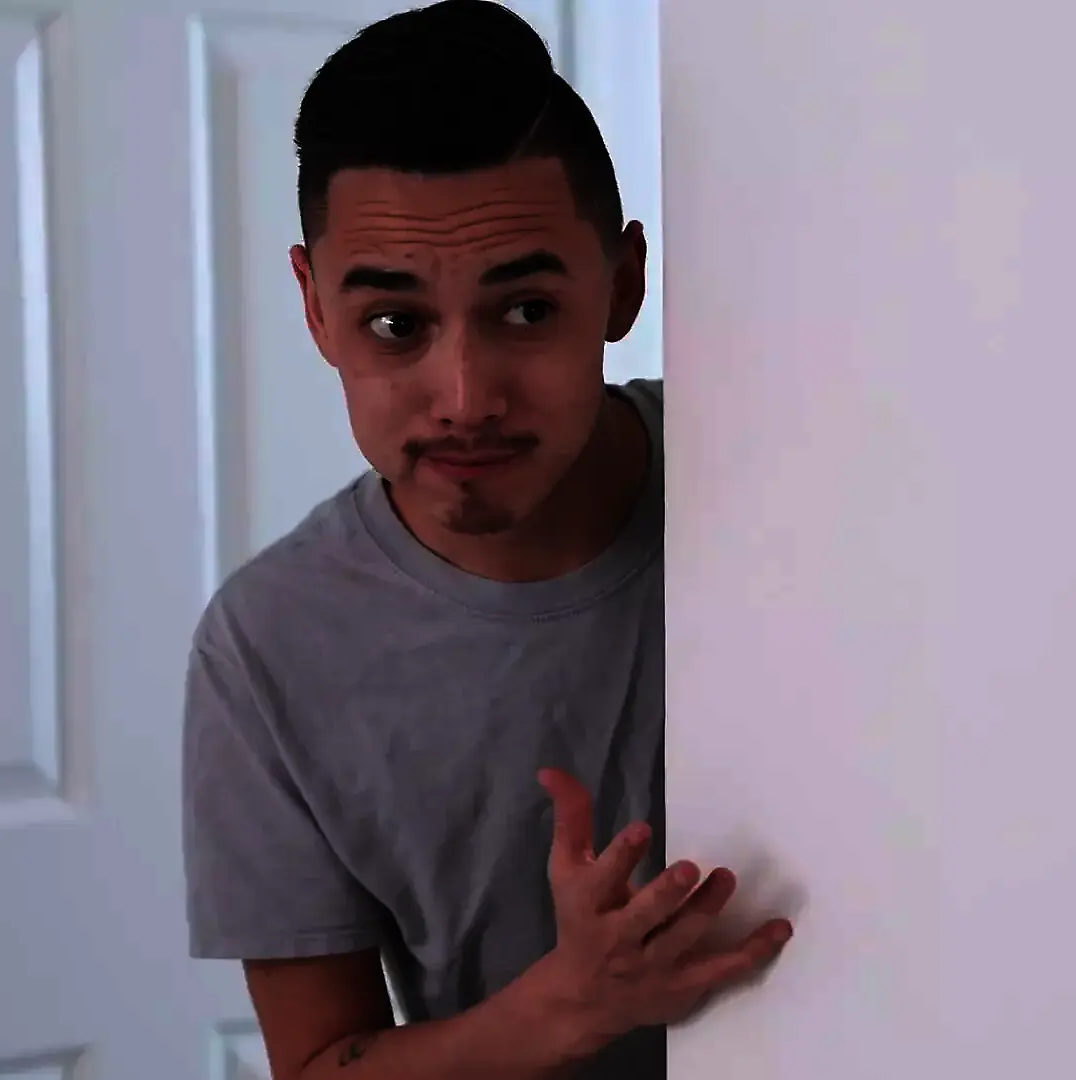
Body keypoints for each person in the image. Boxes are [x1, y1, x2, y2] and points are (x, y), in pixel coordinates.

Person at [180, 2, 791, 1077]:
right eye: (396, 325)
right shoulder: (267, 648)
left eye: (525, 312)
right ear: (316, 309)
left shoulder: (803, 478)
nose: (466, 398)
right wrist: (573, 1004)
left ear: (623, 285)